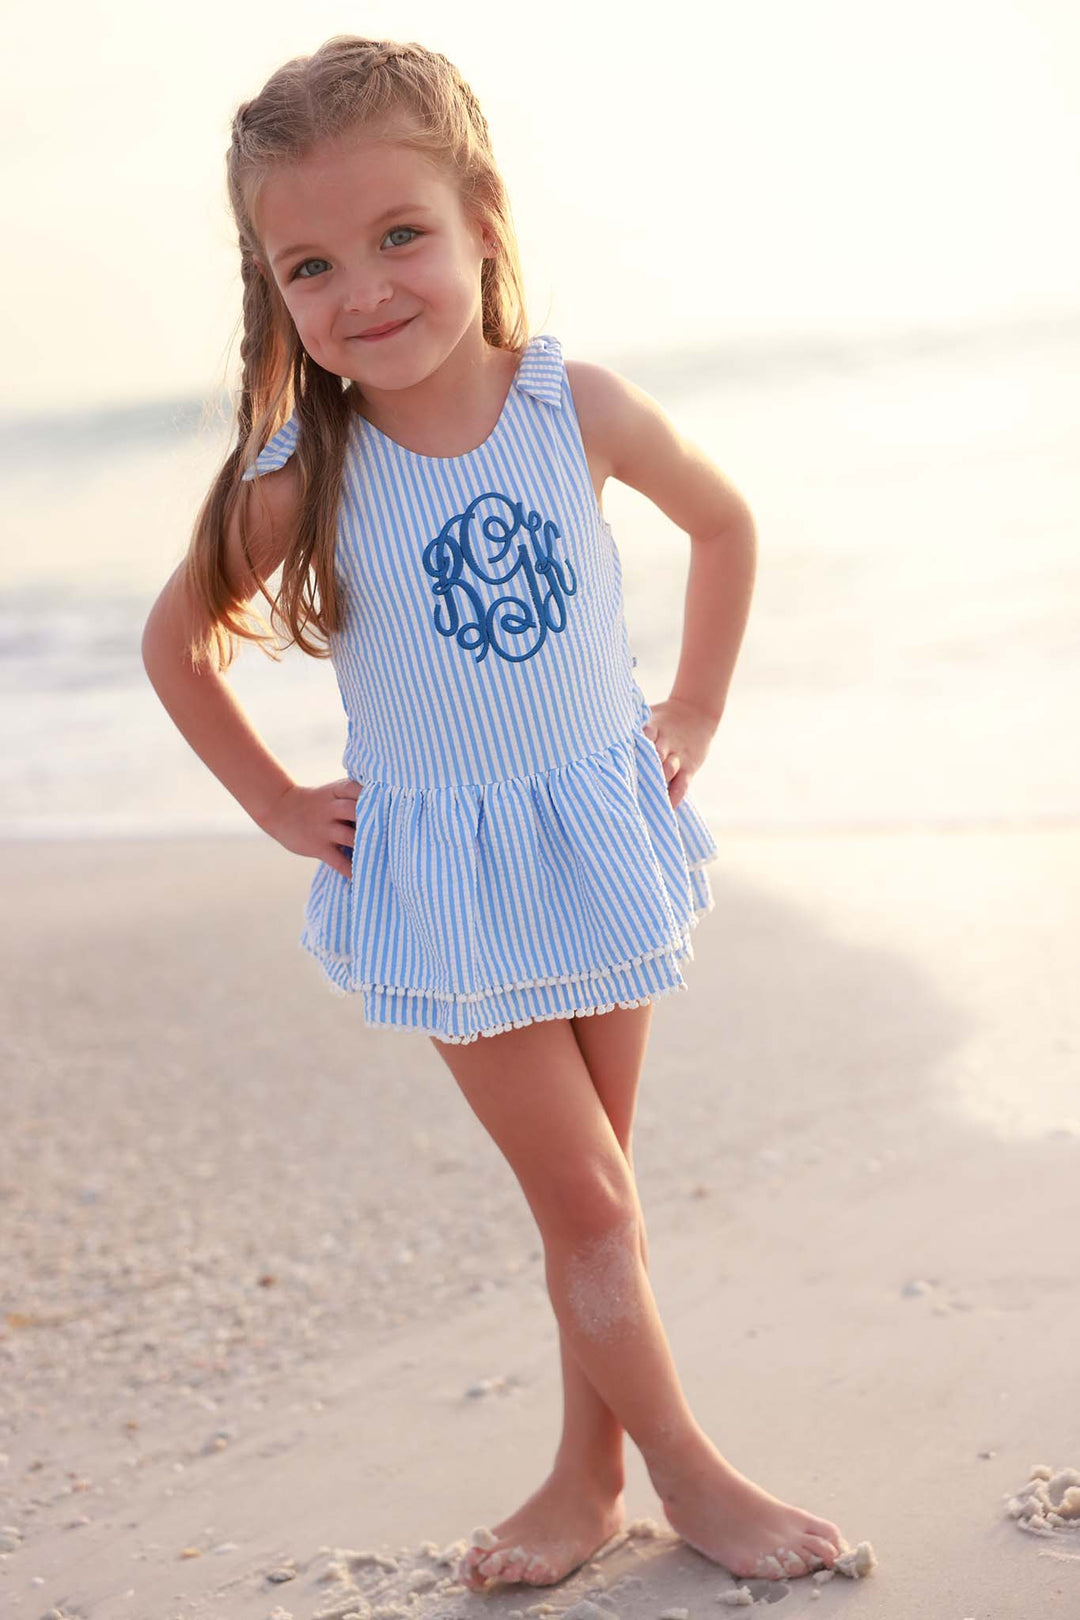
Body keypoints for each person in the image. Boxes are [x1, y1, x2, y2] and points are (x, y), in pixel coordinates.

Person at [141, 33, 846, 1595]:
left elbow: (724, 522)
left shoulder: (564, 405)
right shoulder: (303, 469)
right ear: (277, 291)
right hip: (451, 876)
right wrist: (274, 803)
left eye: (401, 236)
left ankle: (584, 1476)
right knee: (587, 1197)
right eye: (312, 264)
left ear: (480, 218)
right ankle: (692, 1477)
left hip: (594, 834)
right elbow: (174, 643)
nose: (366, 289)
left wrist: (698, 711)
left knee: (604, 1193)